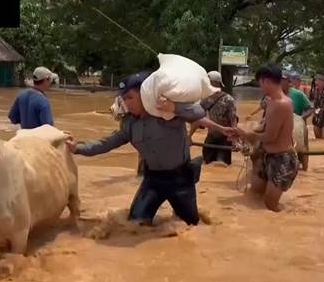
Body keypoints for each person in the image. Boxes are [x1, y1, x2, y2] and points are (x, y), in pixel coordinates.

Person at [67, 72, 233, 226]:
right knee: (135, 225)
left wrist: (174, 108)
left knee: (193, 226)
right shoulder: (129, 124)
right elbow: (106, 143)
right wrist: (78, 148)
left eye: (131, 97)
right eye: (124, 98)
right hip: (153, 180)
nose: (127, 103)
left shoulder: (167, 112)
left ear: (145, 93)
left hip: (180, 180)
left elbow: (198, 112)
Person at [235, 65, 298, 212]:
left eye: (260, 83)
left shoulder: (282, 104)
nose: (260, 87)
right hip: (266, 156)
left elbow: (270, 137)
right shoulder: (270, 101)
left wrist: (248, 135)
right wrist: (241, 131)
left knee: (270, 205)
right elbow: (264, 125)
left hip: (282, 159)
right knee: (255, 196)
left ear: (266, 81)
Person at [189, 71, 238, 166]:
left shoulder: (228, 100)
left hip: (224, 139)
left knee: (219, 166)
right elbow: (197, 119)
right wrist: (189, 136)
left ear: (213, 83)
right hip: (212, 137)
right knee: (209, 165)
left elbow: (233, 120)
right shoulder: (206, 98)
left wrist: (234, 140)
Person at [287, 72, 314, 171]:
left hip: (298, 128)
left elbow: (311, 109)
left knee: (303, 152)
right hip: (281, 128)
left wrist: (300, 119)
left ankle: (305, 172)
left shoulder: (298, 94)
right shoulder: (271, 95)